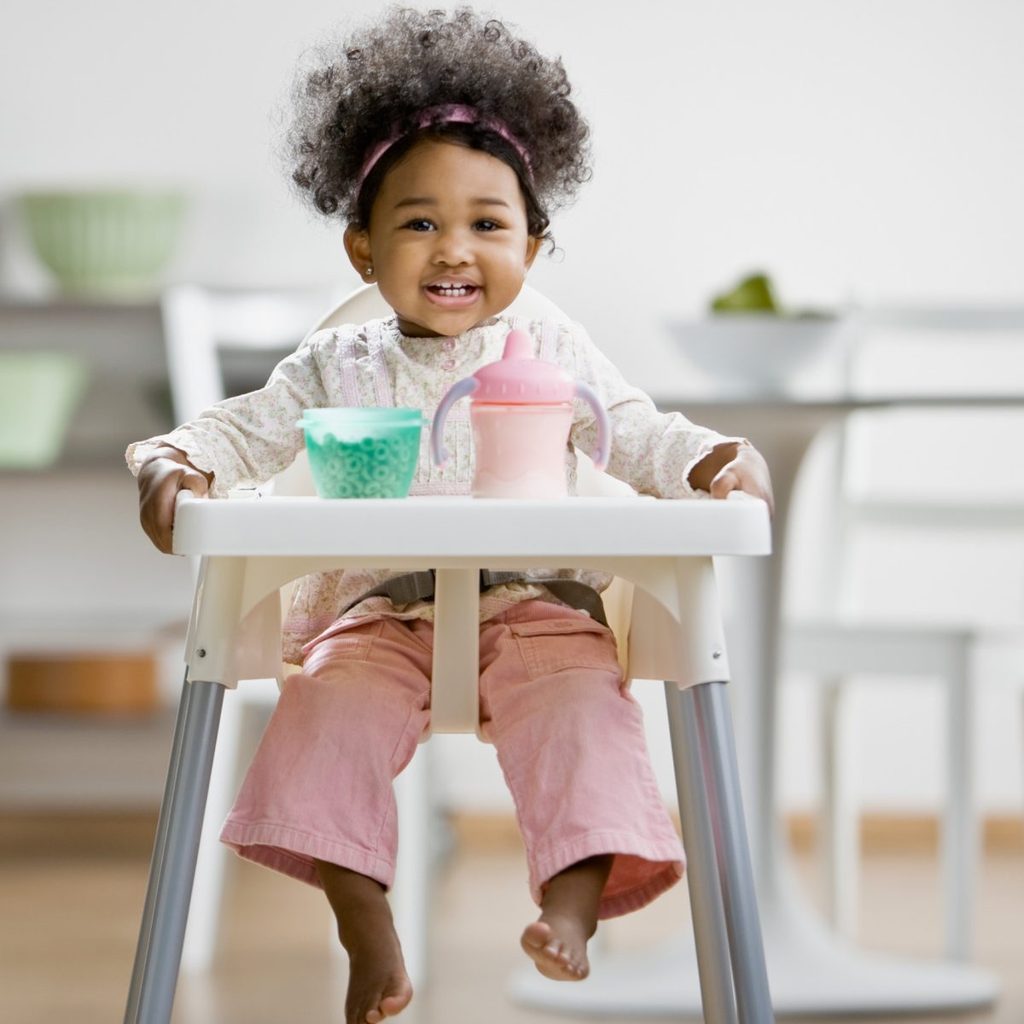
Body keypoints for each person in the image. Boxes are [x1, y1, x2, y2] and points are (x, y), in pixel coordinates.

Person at [128, 8, 773, 1023]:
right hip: (378, 614)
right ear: (361, 249)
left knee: (585, 716)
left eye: (486, 223)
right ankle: (362, 916)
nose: (452, 248)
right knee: (319, 717)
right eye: (418, 222)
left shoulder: (552, 348)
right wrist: (170, 462)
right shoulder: (335, 363)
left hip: (536, 607)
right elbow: (240, 431)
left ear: (534, 242)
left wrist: (713, 461)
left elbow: (635, 430)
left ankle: (568, 907)